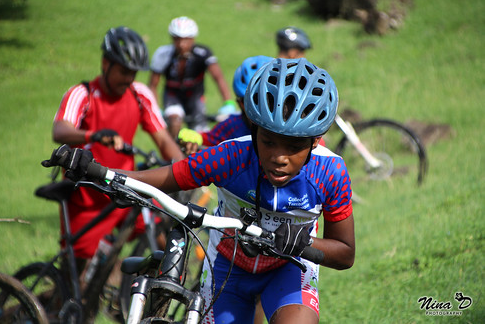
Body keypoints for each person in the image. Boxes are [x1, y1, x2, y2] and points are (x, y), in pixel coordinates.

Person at [45, 58, 355, 324]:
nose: (279, 156)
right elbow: (167, 176)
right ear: (253, 129)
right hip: (227, 269)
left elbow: (345, 253)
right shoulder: (232, 156)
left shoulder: (330, 172)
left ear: (315, 141)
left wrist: (303, 242)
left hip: (289, 269)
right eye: (268, 141)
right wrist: (97, 170)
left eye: (294, 146)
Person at [52, 26, 185, 267]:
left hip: (123, 191)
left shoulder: (139, 95)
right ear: (105, 63)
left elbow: (164, 140)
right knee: (78, 279)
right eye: (124, 71)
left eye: (133, 73)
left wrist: (184, 169)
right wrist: (94, 134)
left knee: (162, 237)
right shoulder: (83, 94)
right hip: (86, 199)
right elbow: (59, 130)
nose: (129, 78)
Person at [178, 55, 326, 155]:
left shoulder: (302, 131)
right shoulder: (231, 126)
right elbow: (208, 140)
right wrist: (195, 138)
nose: (257, 108)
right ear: (239, 103)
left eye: (265, 100)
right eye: (248, 101)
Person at [148, 16, 233, 139]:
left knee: (200, 135)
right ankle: (174, 155)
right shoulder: (162, 54)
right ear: (172, 38)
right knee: (175, 122)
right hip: (173, 97)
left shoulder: (203, 52)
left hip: (195, 97)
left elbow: (218, 77)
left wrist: (228, 102)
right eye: (177, 39)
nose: (182, 44)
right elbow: (152, 85)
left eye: (186, 40)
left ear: (193, 39)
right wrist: (155, 108)